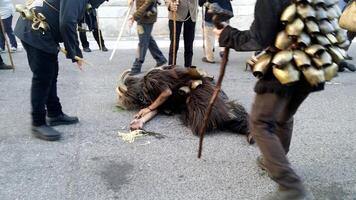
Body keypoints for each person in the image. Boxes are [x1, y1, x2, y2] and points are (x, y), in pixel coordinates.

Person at [213, 0, 341, 199]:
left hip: (287, 66)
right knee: (283, 115)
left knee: (260, 123)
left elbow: (259, 39)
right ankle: (273, 160)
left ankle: (291, 186)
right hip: (316, 64)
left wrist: (228, 35)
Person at [14, 0, 108, 141]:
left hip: (44, 31)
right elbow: (67, 22)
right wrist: (75, 53)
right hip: (35, 29)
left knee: (51, 72)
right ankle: (38, 122)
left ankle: (54, 113)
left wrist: (74, 52)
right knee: (43, 77)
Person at [116, 65, 253, 143]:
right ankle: (246, 126)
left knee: (208, 118)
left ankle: (250, 126)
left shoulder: (151, 80)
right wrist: (141, 121)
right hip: (188, 101)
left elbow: (166, 93)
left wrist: (149, 107)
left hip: (200, 89)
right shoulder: (149, 94)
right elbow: (157, 107)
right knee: (202, 125)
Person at [128, 0, 167, 75]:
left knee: (142, 42)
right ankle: (160, 59)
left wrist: (134, 16)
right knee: (147, 39)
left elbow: (148, 2)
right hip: (141, 16)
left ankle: (137, 66)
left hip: (147, 17)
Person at [165, 0, 198, 67]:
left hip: (191, 14)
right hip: (176, 13)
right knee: (174, 44)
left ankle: (188, 69)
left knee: (189, 45)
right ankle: (171, 69)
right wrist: (169, 4)